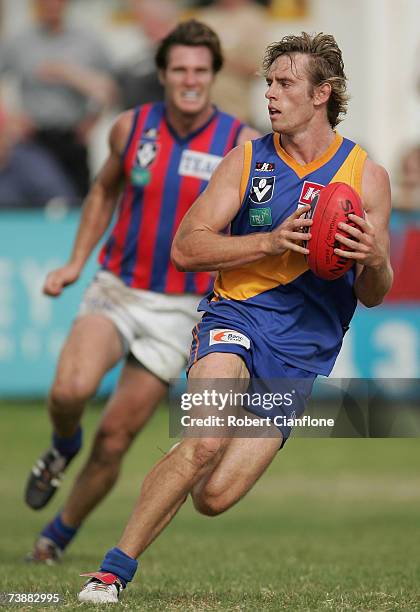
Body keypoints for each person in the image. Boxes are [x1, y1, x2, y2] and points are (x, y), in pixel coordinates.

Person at [76, 31, 393, 604]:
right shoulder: (246, 160)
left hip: (299, 351)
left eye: (284, 83)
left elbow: (373, 292)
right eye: (268, 82)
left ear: (322, 94)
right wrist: (271, 241)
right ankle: (110, 573)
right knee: (202, 441)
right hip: (235, 316)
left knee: (214, 496)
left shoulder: (366, 177)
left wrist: (374, 259)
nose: (269, 93)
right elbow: (186, 248)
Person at [24, 19, 258, 565]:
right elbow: (103, 191)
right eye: (180, 68)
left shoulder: (240, 142)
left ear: (214, 75)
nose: (190, 79)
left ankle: (55, 537)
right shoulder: (131, 129)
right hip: (120, 288)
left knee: (115, 439)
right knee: (69, 391)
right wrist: (74, 262)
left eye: (201, 69)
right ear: (162, 74)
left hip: (183, 310)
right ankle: (61, 447)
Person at [0, 0, 116, 198]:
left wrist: (93, 120)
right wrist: (10, 118)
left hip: (73, 138)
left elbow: (112, 88)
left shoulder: (88, 40)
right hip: (32, 140)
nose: (51, 5)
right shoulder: (19, 41)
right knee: (33, 206)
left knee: (79, 204)